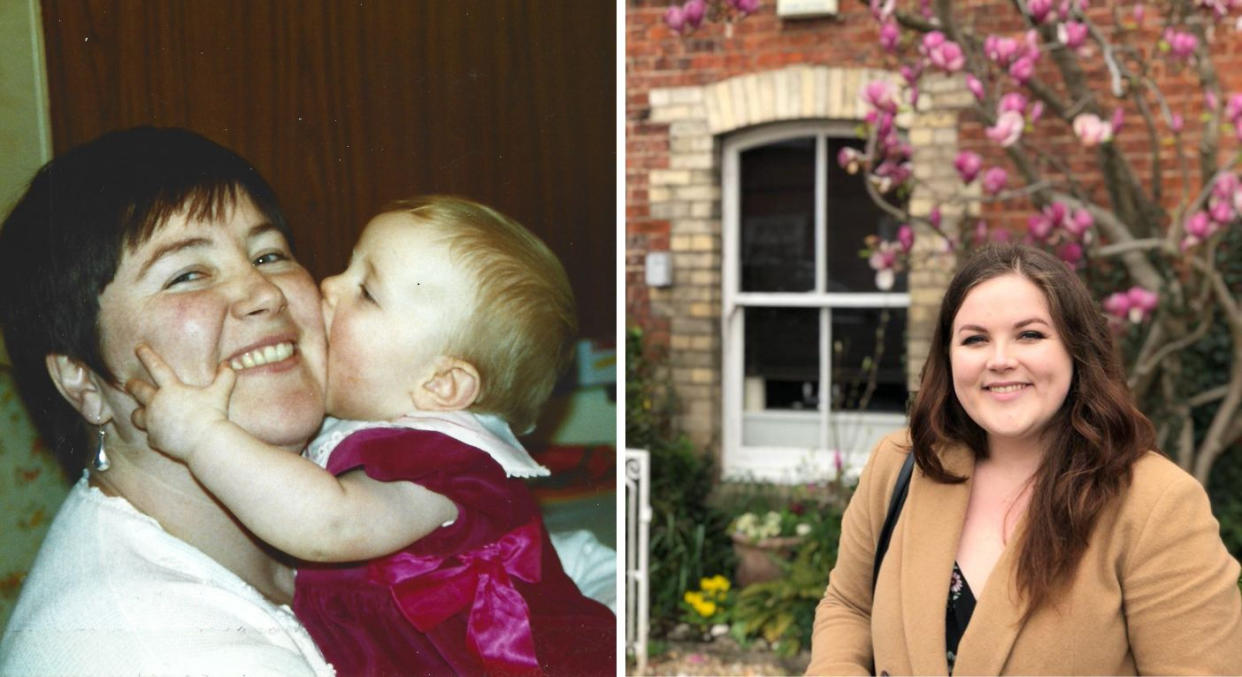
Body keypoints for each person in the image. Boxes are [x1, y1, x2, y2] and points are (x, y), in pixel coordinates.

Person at [126, 196, 616, 675]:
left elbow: (328, 524)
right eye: (346, 267)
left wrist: (202, 434)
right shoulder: (368, 424)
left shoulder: (444, 461)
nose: (331, 286)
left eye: (367, 292)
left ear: (441, 385)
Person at [807, 243, 1242, 675]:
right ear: (948, 357)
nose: (1000, 361)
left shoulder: (1158, 505)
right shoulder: (903, 464)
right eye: (975, 339)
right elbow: (849, 605)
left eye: (1030, 335)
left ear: (1077, 349)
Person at [0, 127, 333, 674]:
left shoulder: (362, 473)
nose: (265, 293)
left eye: (270, 255)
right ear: (84, 383)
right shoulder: (142, 647)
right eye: (188, 274)